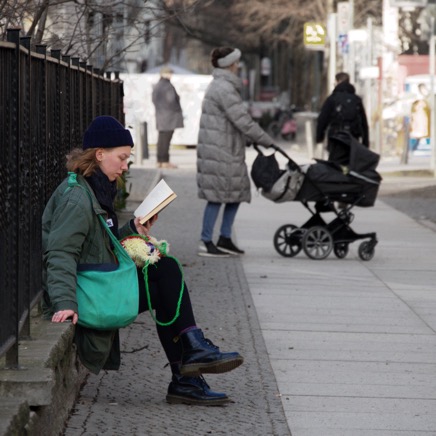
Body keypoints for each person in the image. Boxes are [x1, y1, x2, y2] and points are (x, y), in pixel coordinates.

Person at [42, 115, 243, 406]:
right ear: (100, 155)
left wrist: (132, 231)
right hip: (88, 293)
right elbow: (60, 253)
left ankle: (188, 369)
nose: (125, 166)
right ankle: (190, 358)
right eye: (122, 158)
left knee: (165, 269)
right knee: (165, 272)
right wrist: (64, 303)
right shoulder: (77, 198)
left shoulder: (95, 187)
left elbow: (101, 242)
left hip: (99, 282)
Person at [196, 47, 275, 257]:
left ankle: (224, 237)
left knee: (235, 194)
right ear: (229, 64)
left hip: (226, 147)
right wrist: (266, 140)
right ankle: (205, 241)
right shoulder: (223, 88)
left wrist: (249, 138)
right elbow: (242, 119)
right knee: (217, 196)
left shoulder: (224, 86)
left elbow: (234, 121)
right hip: (220, 150)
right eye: (236, 62)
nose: (238, 66)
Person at [316, 72, 369, 150]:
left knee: (335, 161)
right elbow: (364, 122)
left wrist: (319, 138)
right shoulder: (356, 100)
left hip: (335, 138)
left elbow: (323, 119)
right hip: (353, 139)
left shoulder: (332, 99)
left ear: (339, 81)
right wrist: (365, 142)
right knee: (350, 160)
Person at [152, 66, 184, 169]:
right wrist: (176, 108)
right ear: (164, 74)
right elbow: (171, 100)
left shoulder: (157, 85)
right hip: (170, 116)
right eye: (169, 73)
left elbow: (153, 100)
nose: (171, 75)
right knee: (166, 140)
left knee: (161, 139)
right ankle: (165, 161)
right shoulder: (167, 85)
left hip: (160, 115)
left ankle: (159, 161)